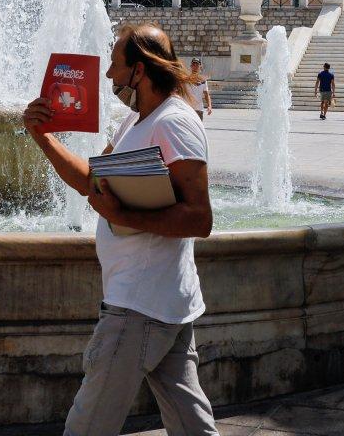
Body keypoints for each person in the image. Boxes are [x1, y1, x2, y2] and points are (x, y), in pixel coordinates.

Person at [22, 23, 218, 434]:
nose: (109, 75)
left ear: (139, 71)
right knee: (191, 424)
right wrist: (43, 137)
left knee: (87, 426)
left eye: (115, 65)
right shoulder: (136, 121)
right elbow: (91, 181)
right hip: (161, 300)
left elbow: (199, 218)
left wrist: (123, 216)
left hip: (138, 306)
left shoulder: (174, 123)